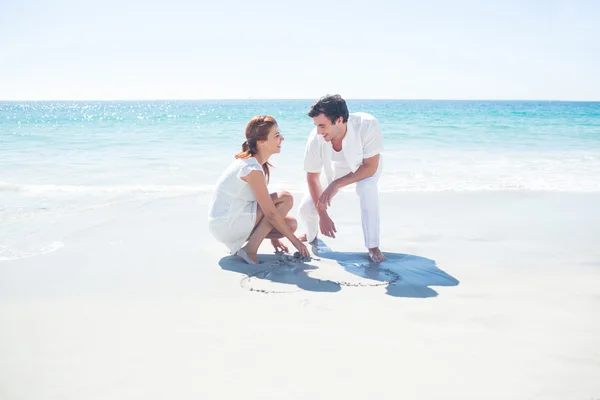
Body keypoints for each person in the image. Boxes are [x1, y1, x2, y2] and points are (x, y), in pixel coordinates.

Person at [208, 116, 310, 264]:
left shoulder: (254, 164)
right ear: (261, 142)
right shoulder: (251, 168)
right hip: (226, 224)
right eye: (276, 136)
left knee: (290, 224)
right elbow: (269, 212)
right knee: (285, 198)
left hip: (226, 222)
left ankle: (250, 247)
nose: (282, 138)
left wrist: (274, 240)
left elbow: (263, 205)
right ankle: (250, 249)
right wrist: (297, 243)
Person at [298, 94, 387, 263]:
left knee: (367, 189)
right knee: (306, 208)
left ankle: (373, 246)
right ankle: (311, 234)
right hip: (334, 169)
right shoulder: (316, 138)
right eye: (316, 125)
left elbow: (370, 167)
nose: (318, 131)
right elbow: (312, 177)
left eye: (322, 125)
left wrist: (336, 185)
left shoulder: (367, 124)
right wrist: (322, 214)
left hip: (364, 165)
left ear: (339, 120)